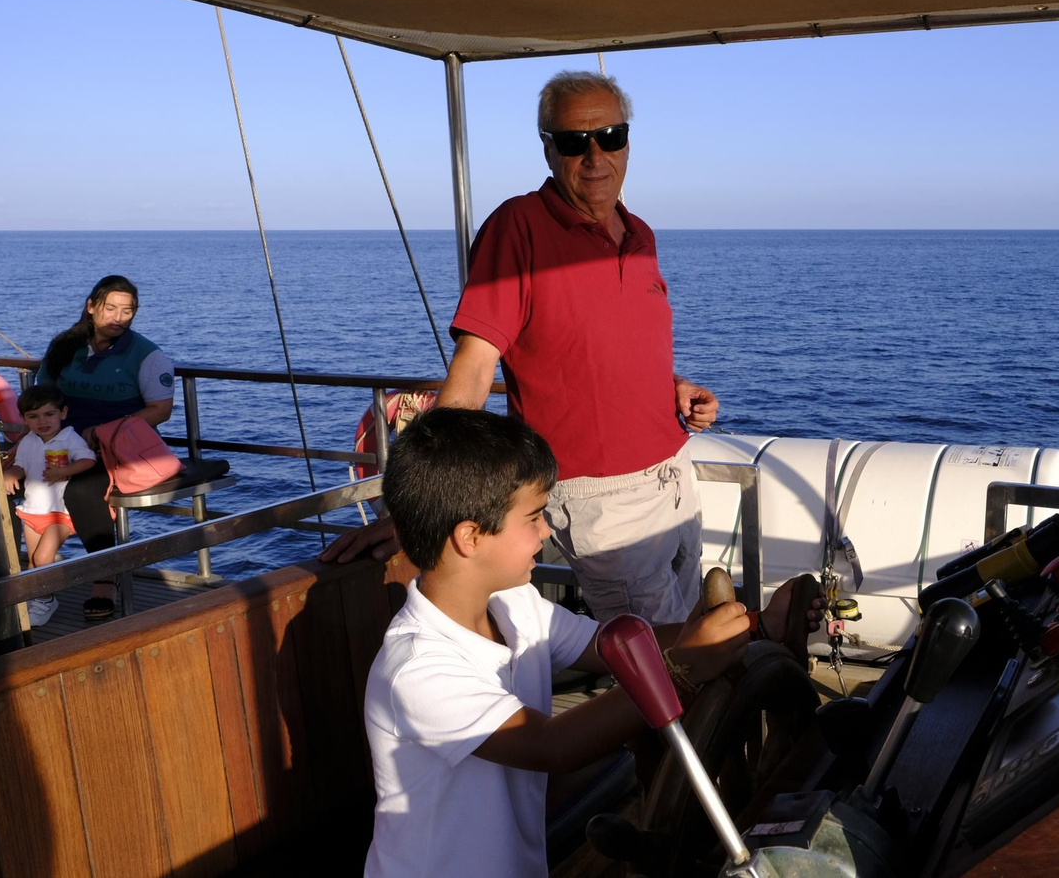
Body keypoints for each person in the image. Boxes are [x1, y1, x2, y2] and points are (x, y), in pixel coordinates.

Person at [327, 71, 722, 626]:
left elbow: (610, 345)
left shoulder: (639, 235)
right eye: (572, 141)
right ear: (547, 148)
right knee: (655, 658)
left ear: (627, 142)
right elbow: (472, 369)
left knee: (687, 627)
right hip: (601, 496)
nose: (594, 155)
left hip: (674, 471)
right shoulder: (519, 229)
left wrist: (674, 387)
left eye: (609, 136)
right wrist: (426, 504)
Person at [363, 407, 819, 877]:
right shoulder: (417, 667)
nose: (546, 532)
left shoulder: (515, 604)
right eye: (535, 517)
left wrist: (754, 624)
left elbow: (612, 645)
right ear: (470, 538)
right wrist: (682, 666)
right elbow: (551, 745)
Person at [36, 275, 175, 620]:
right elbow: (44, 393)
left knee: (82, 492)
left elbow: (161, 409)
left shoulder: (147, 355)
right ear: (91, 307)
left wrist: (100, 433)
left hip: (114, 449)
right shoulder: (64, 347)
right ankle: (31, 571)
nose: (118, 317)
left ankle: (104, 575)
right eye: (110, 308)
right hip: (59, 443)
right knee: (10, 478)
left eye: (127, 311)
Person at [1, 385, 98, 626]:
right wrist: (11, 473)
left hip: (59, 511)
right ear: (24, 419)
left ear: (63, 413)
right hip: (33, 508)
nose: (42, 421)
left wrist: (65, 471)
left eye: (49, 414)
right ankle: (36, 597)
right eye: (33, 416)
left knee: (44, 558)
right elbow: (21, 464)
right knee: (33, 560)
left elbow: (88, 459)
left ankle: (46, 599)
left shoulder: (69, 438)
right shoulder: (28, 441)